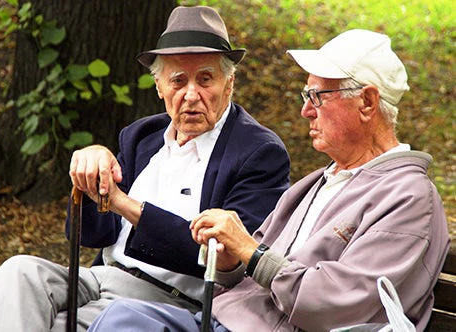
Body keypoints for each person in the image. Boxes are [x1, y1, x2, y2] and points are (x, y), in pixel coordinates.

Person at [85, 29, 450, 332]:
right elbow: (245, 271)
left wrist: (250, 252)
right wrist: (230, 260)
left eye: (318, 96)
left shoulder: (408, 197)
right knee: (122, 317)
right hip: (222, 320)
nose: (306, 110)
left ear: (368, 103)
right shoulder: (320, 182)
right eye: (307, 96)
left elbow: (334, 304)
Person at [0, 6, 291, 332]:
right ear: (159, 86)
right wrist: (90, 182)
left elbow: (227, 258)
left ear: (228, 84)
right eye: (178, 80)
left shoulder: (257, 152)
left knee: (49, 324)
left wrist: (123, 203)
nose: (191, 95)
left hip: (173, 301)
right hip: (102, 278)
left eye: (205, 79)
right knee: (13, 277)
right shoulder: (142, 136)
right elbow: (90, 235)